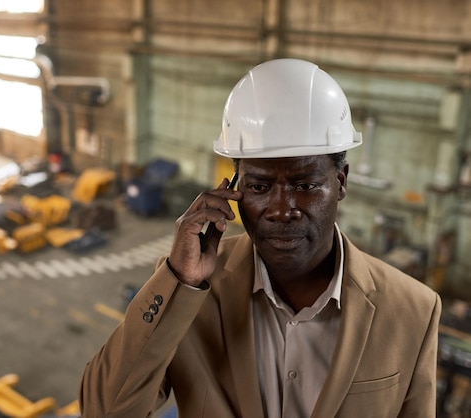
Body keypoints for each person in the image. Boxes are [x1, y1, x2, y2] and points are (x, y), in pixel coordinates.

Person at [79, 59, 442, 418]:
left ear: (341, 182)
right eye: (259, 186)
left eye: (306, 185)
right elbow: (103, 410)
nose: (282, 209)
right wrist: (180, 279)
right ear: (233, 190)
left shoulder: (413, 311)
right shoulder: (191, 295)